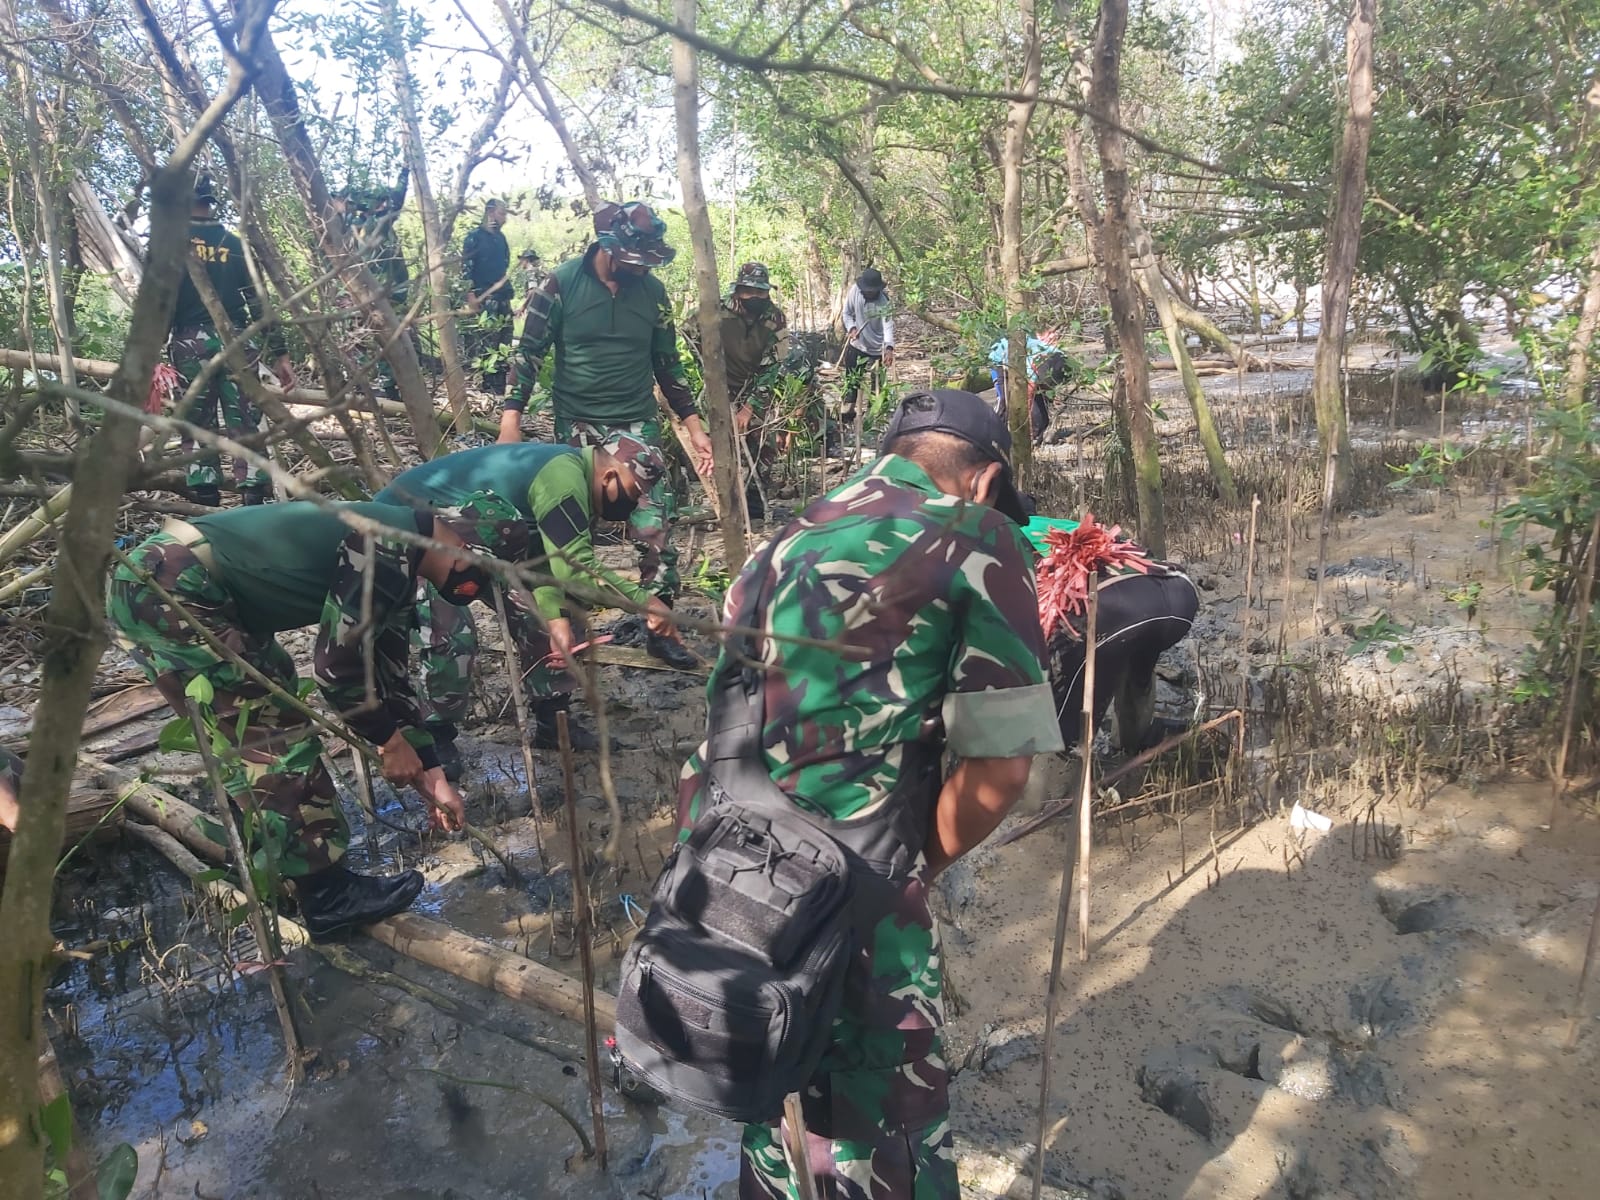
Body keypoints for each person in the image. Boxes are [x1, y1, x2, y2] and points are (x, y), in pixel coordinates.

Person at [675, 389, 1064, 1198]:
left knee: (775, 1097)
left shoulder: (776, 543)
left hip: (731, 881)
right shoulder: (978, 535)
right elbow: (1001, 769)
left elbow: (726, 727)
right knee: (881, 1129)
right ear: (985, 480)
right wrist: (909, 868)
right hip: (855, 894)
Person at [105, 493, 529, 939]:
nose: (472, 593)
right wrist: (389, 741)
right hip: (169, 588)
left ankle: (267, 853)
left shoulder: (405, 557)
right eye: (483, 579)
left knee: (256, 706)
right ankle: (328, 897)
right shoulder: (385, 546)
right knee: (268, 730)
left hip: (173, 585)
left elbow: (388, 674)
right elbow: (336, 669)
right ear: (465, 549)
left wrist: (433, 775)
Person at [376, 434, 692, 765]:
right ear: (609, 476)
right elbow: (575, 569)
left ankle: (552, 720)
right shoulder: (564, 479)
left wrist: (555, 617)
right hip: (410, 531)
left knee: (552, 618)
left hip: (481, 537)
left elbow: (547, 561)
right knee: (453, 632)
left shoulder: (578, 483)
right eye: (633, 493)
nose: (632, 505)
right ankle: (437, 734)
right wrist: (647, 603)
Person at [500, 201, 712, 670]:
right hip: (577, 424)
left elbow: (668, 363)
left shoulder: (653, 293)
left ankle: (659, 626)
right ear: (608, 249)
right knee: (571, 534)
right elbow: (528, 352)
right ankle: (570, 633)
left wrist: (694, 426)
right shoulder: (560, 284)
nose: (640, 270)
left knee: (656, 526)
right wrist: (510, 418)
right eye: (633, 261)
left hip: (636, 422)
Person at [168, 174, 293, 507]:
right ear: (211, 203)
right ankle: (252, 495)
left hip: (190, 342)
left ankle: (205, 497)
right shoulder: (235, 245)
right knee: (245, 418)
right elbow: (259, 302)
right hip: (239, 339)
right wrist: (280, 354)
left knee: (197, 420)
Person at [683, 261, 790, 518]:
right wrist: (708, 365)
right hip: (717, 388)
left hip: (755, 387)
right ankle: (725, 506)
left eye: (761, 293)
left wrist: (749, 406)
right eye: (749, 292)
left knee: (762, 447)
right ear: (738, 290)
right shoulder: (715, 310)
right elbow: (687, 334)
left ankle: (754, 508)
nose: (755, 297)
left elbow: (773, 365)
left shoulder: (774, 317)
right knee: (719, 448)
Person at [334, 168, 411, 401]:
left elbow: (396, 267)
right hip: (363, 294)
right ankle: (367, 385)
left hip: (374, 294)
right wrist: (404, 172)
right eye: (382, 202)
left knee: (373, 338)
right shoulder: (364, 225)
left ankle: (379, 385)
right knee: (364, 338)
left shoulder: (371, 225)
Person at [461, 198, 514, 395]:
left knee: (504, 341)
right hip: (484, 296)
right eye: (502, 213)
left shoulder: (501, 238)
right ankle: (488, 386)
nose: (504, 218)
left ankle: (499, 386)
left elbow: (505, 264)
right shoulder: (474, 237)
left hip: (503, 296)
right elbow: (466, 269)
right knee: (487, 342)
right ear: (490, 212)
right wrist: (471, 297)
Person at [988, 333, 1077, 443]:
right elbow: (1028, 396)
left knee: (1040, 418)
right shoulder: (1037, 363)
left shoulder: (1061, 359)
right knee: (1004, 402)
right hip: (999, 360)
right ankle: (993, 435)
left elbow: (1048, 386)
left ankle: (1034, 439)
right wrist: (1026, 426)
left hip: (1028, 365)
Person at [839, 267, 896, 428]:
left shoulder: (884, 302)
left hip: (878, 348)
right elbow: (847, 313)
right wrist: (851, 328)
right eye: (867, 290)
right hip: (857, 344)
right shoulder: (854, 292)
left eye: (872, 291)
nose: (869, 293)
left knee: (877, 386)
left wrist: (889, 349)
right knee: (852, 382)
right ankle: (846, 418)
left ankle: (873, 421)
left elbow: (888, 326)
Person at [515, 248, 545, 319]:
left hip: (536, 307)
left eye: (521, 260)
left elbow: (533, 290)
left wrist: (523, 307)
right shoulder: (540, 271)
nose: (520, 263)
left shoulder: (530, 271)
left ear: (526, 260)